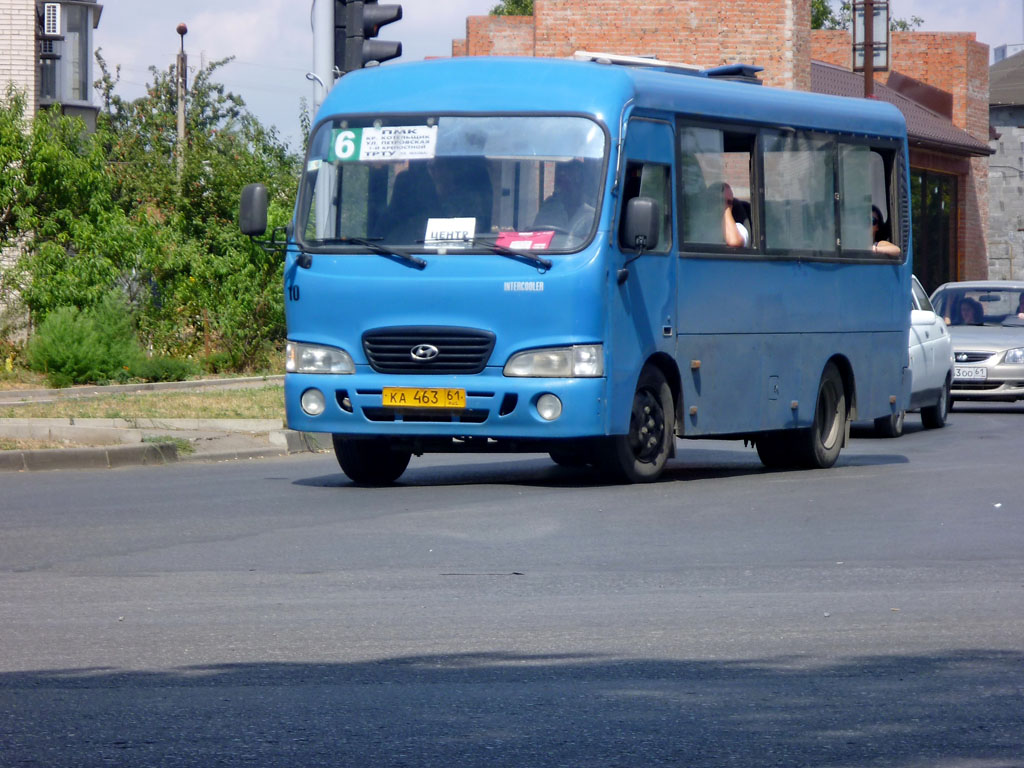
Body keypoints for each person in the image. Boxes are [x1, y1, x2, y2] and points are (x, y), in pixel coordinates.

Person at [532, 159, 595, 237]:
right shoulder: (548, 209)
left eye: (571, 184)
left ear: (581, 186)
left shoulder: (593, 215)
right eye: (562, 184)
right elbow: (534, 234)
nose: (565, 190)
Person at [720, 183, 749, 247]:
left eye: (729, 202)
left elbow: (734, 241)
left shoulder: (739, 228)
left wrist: (726, 208)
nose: (720, 205)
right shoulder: (699, 224)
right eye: (718, 200)